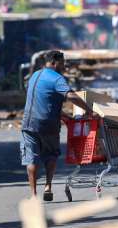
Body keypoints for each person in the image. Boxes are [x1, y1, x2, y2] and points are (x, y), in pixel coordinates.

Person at [21, 50, 92, 201]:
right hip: (48, 125)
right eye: (62, 62)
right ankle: (48, 186)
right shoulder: (57, 78)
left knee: (31, 159)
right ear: (54, 62)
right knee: (51, 154)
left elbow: (42, 100)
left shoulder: (35, 75)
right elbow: (71, 95)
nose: (64, 65)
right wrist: (89, 110)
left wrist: (62, 115)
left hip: (28, 123)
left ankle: (33, 195)